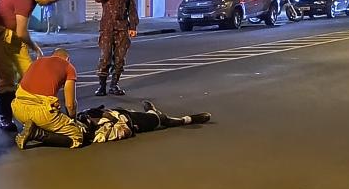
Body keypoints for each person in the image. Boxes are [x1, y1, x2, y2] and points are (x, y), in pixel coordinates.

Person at [12, 50, 210, 150]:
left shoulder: (38, 63)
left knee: (53, 120)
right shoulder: (67, 67)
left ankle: (35, 128)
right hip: (41, 114)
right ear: (67, 59)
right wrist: (71, 118)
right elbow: (70, 104)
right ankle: (37, 133)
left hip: (18, 109)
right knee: (76, 138)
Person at [0, 0, 64, 133]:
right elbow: (22, 32)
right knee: (6, 77)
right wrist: (35, 47)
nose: (47, 5)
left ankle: (37, 115)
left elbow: (18, 31)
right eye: (50, 2)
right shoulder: (25, 0)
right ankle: (5, 118)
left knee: (29, 74)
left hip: (10, 34)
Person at [93, 0, 138, 96]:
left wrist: (133, 26)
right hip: (107, 28)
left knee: (119, 58)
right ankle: (102, 86)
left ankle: (114, 85)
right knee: (105, 56)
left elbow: (131, 7)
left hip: (122, 28)